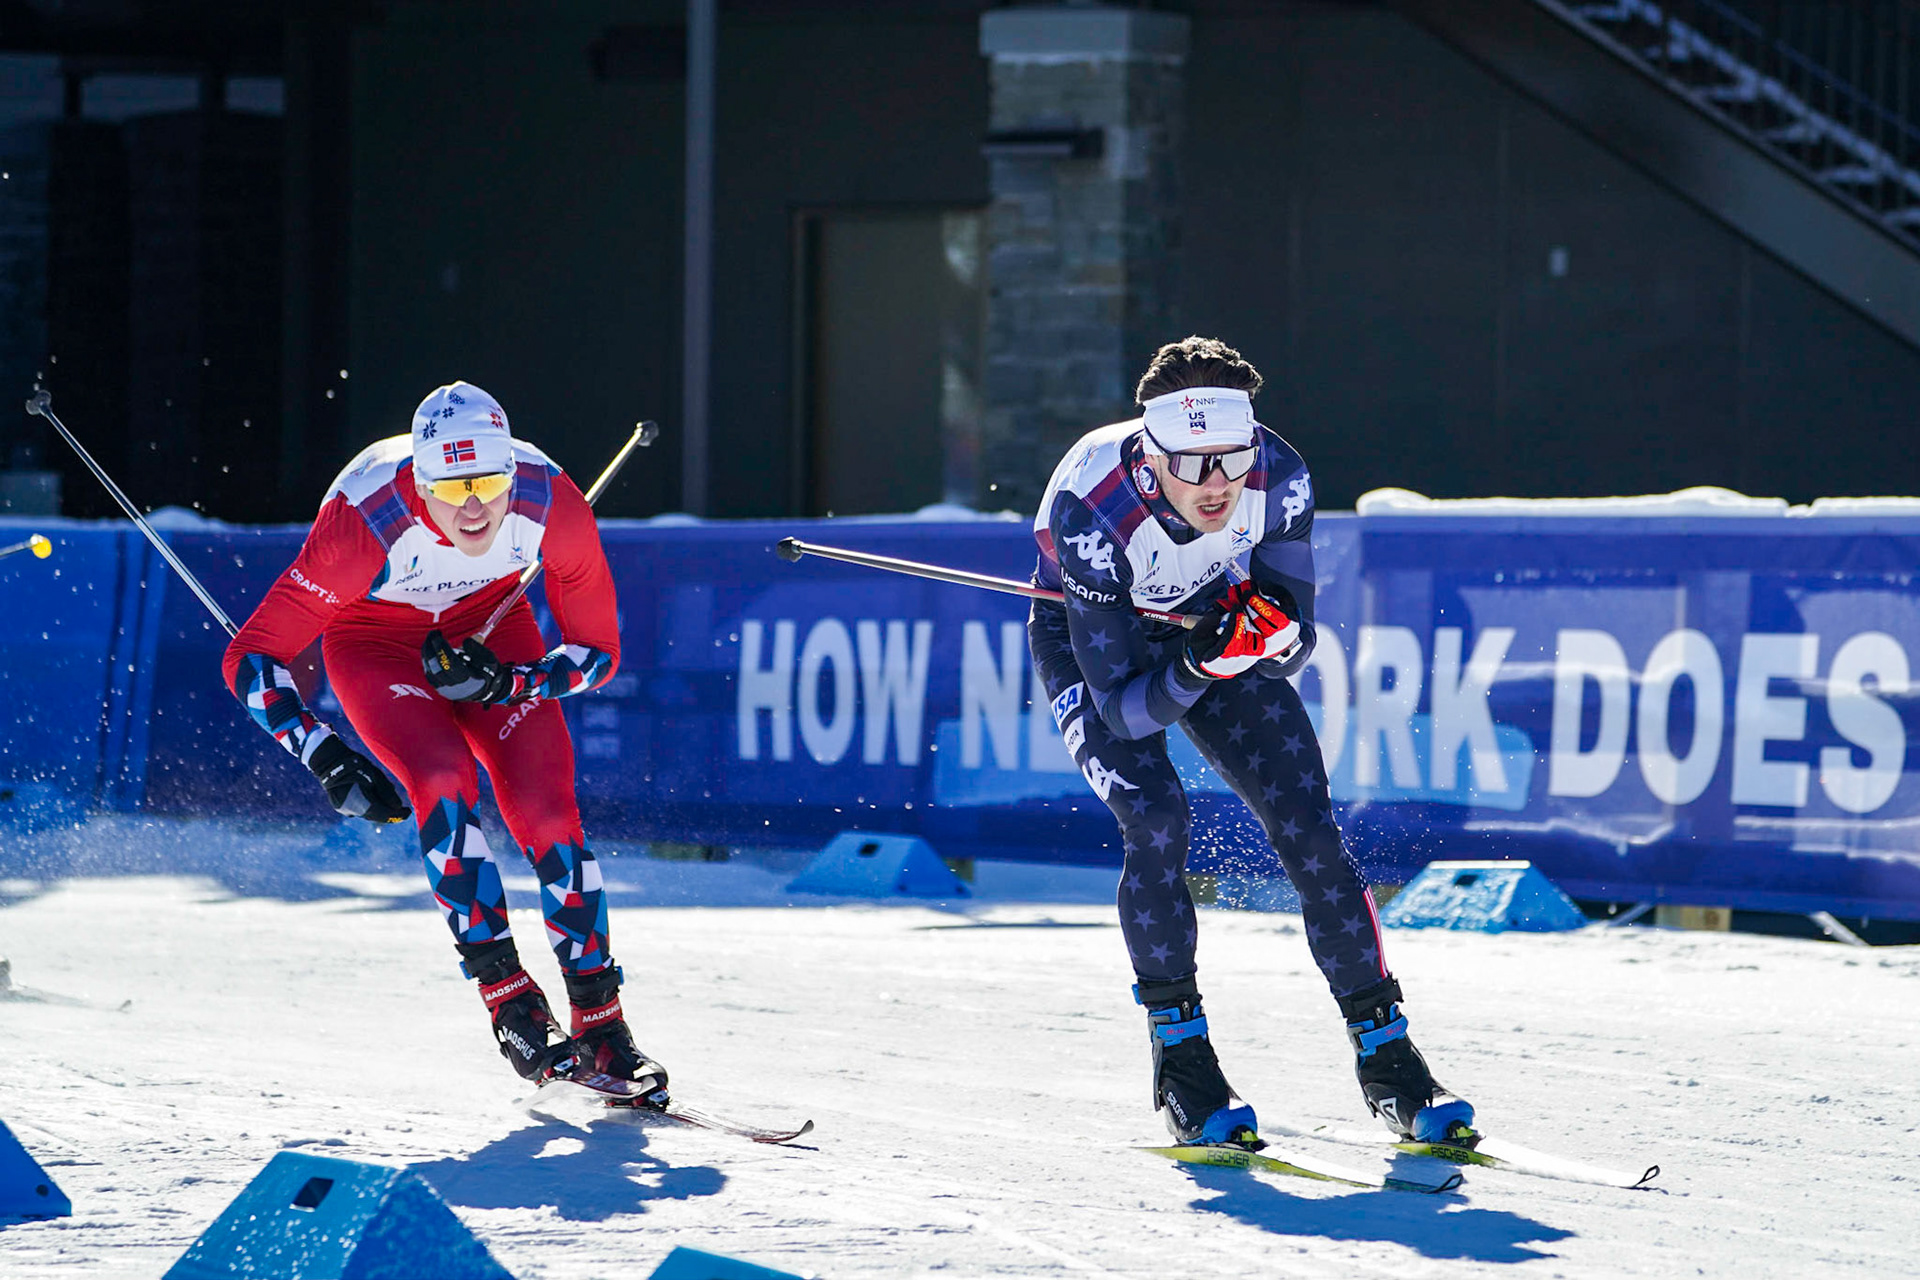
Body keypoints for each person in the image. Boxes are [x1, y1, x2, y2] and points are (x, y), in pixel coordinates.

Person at [1027, 337, 1472, 1148]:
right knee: (1156, 817)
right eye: (1192, 465)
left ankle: (1388, 1056)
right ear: (1150, 453)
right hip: (1100, 639)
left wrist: (1263, 637)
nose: (1217, 485)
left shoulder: (1280, 475)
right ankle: (1182, 1059)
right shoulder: (1093, 510)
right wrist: (1201, 664)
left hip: (1210, 612)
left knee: (1308, 825)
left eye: (1231, 460)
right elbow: (1127, 712)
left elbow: (1296, 640)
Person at [222, 381, 663, 1097]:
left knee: (550, 812)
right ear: (419, 483)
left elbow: (600, 654)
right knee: (442, 780)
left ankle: (603, 1028)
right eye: (450, 488)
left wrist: (512, 683)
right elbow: (250, 657)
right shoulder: (365, 522)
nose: (473, 506)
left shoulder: (550, 501)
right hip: (373, 640)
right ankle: (514, 1007)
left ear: (512, 473)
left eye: (489, 482)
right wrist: (323, 754)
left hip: (492, 622)